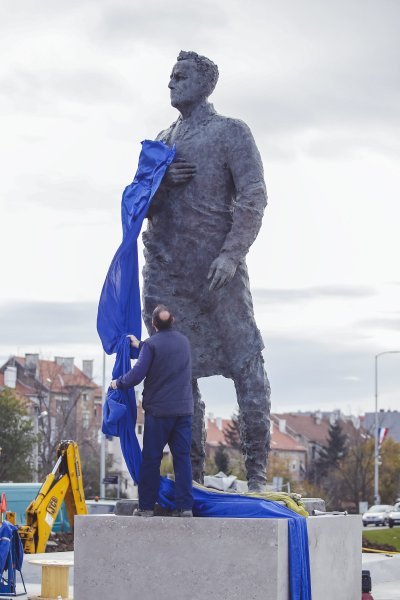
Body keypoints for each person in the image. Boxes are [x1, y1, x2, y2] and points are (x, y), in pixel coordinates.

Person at [141, 51, 271, 492]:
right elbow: (138, 206)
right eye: (171, 75)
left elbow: (254, 196)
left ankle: (256, 477)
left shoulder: (230, 132)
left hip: (218, 276)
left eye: (182, 75)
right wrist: (161, 183)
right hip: (167, 276)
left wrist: (232, 254)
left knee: (247, 364)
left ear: (206, 84)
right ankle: (189, 477)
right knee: (180, 377)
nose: (172, 82)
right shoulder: (160, 141)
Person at [111, 305, 194, 516]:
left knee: (151, 459)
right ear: (173, 321)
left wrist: (117, 383)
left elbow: (137, 374)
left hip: (159, 413)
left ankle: (146, 507)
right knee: (182, 459)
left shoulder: (152, 345)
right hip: (184, 412)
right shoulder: (184, 342)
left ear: (154, 324)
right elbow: (166, 356)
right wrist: (141, 346)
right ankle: (185, 508)